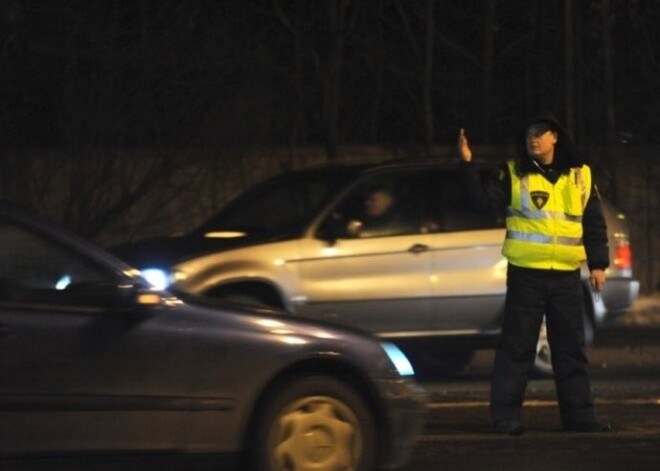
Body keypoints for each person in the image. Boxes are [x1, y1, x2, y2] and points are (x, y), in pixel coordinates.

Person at [457, 116, 612, 435]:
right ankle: (505, 417)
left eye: (539, 134)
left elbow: (593, 223)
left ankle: (579, 417)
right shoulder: (513, 173)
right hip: (527, 276)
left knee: (570, 349)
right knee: (517, 348)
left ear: (555, 137)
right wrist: (467, 165)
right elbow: (480, 203)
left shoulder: (580, 176)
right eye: (528, 134)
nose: (533, 139)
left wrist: (598, 265)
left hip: (566, 276)